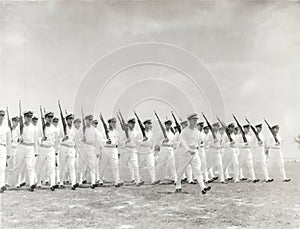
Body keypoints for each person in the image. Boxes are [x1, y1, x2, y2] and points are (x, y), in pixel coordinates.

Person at [175, 113, 211, 194]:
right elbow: (183, 142)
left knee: (198, 170)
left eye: (196, 120)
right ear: (189, 121)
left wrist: (197, 148)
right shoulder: (184, 132)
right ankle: (178, 185)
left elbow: (199, 142)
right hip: (186, 153)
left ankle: (203, 187)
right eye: (194, 120)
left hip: (195, 153)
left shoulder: (197, 132)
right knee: (181, 170)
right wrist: (188, 150)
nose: (195, 122)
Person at [12, 110, 38, 191]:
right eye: (28, 117)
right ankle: (16, 183)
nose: (29, 118)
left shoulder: (34, 128)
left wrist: (36, 151)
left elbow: (36, 140)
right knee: (17, 166)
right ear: (24, 117)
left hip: (30, 148)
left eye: (31, 117)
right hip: (21, 147)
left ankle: (31, 184)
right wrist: (18, 139)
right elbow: (14, 138)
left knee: (30, 166)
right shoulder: (20, 127)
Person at [35, 112, 59, 191]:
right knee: (39, 166)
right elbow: (37, 138)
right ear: (45, 118)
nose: (50, 119)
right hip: (42, 148)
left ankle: (52, 184)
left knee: (51, 167)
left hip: (50, 148)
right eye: (48, 117)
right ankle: (38, 182)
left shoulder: (54, 128)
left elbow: (56, 141)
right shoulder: (41, 127)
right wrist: (41, 139)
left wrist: (56, 151)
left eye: (51, 117)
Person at [78, 114, 100, 189]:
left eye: (91, 120)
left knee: (92, 166)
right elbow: (78, 139)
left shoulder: (94, 129)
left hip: (91, 149)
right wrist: (82, 139)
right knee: (81, 165)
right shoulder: (81, 129)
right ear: (86, 120)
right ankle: (80, 181)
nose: (90, 121)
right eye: (88, 120)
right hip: (83, 149)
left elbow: (94, 140)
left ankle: (93, 182)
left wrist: (86, 140)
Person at [99, 117, 122, 187]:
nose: (114, 124)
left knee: (115, 165)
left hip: (114, 149)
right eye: (113, 122)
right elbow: (100, 140)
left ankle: (117, 181)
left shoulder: (117, 132)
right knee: (103, 165)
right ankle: (100, 180)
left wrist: (119, 152)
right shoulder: (103, 132)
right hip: (106, 149)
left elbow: (119, 142)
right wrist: (106, 141)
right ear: (109, 123)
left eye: (115, 122)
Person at [119, 118, 143, 186]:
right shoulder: (124, 132)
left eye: (134, 123)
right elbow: (120, 143)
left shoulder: (137, 133)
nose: (133, 125)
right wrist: (126, 141)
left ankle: (137, 181)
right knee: (122, 165)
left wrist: (138, 143)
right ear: (128, 124)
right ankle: (120, 180)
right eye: (131, 123)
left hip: (133, 150)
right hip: (126, 150)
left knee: (135, 165)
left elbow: (140, 141)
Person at [59, 113, 78, 190]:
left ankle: (73, 183)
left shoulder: (74, 129)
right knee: (62, 166)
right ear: (66, 120)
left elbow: (75, 140)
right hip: (63, 147)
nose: (71, 120)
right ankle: (60, 182)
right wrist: (62, 139)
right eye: (69, 119)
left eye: (72, 119)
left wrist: (76, 151)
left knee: (72, 166)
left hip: (71, 148)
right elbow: (57, 139)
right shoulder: (61, 128)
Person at [137, 119, 159, 185]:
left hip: (149, 150)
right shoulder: (140, 132)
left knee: (151, 165)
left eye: (150, 124)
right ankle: (139, 179)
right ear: (145, 124)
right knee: (140, 165)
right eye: (148, 124)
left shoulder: (151, 133)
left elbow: (153, 141)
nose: (149, 125)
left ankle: (153, 180)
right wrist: (142, 140)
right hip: (142, 150)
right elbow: (137, 142)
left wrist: (153, 149)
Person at [156, 119, 177, 183]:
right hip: (163, 148)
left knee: (172, 164)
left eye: (170, 125)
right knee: (161, 164)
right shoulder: (161, 133)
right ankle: (158, 178)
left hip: (170, 149)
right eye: (167, 125)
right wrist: (163, 141)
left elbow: (174, 142)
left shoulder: (172, 134)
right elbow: (157, 141)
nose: (169, 126)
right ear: (165, 125)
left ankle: (173, 178)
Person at [0, 109, 11, 193]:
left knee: (2, 168)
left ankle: (1, 185)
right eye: (0, 115)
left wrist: (8, 153)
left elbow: (8, 141)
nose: (1, 117)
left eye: (3, 115)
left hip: (2, 148)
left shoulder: (6, 128)